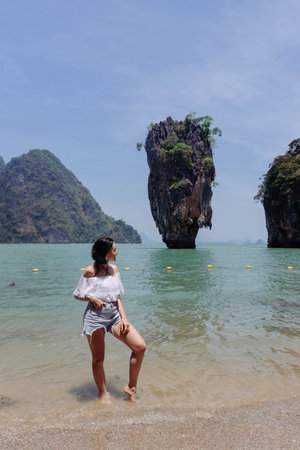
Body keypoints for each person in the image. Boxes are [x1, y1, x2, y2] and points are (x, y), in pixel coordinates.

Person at [73, 237, 146, 404]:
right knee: (98, 359)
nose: (117, 252)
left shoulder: (114, 269)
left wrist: (125, 319)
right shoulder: (89, 271)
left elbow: (117, 297)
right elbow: (77, 294)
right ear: (105, 253)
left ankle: (131, 387)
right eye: (114, 250)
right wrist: (92, 298)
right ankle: (103, 393)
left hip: (114, 315)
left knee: (140, 347)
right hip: (95, 318)